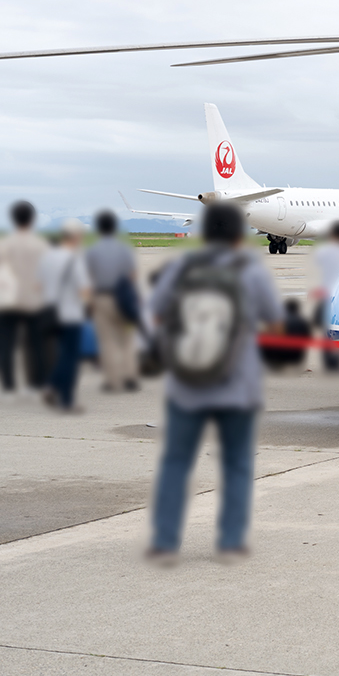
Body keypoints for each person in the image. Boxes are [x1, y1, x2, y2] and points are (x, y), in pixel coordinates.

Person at [147, 203, 283, 563]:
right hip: (238, 386)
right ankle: (230, 541)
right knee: (237, 462)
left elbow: (156, 315)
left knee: (176, 461)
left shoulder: (180, 268)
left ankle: (164, 540)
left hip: (187, 383)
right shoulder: (251, 272)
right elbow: (274, 318)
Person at [85, 209, 140, 393]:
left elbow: (89, 278)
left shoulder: (92, 251)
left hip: (102, 297)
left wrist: (90, 302)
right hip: (123, 296)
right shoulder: (124, 249)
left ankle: (112, 380)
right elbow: (132, 275)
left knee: (106, 340)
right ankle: (130, 377)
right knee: (127, 339)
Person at [39, 220, 91, 412]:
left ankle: (52, 385)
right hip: (71, 314)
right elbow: (84, 289)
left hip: (51, 313)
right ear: (76, 237)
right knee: (71, 357)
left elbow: (39, 285)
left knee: (61, 354)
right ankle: (66, 400)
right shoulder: (74, 259)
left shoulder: (48, 257)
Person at [0, 200, 50, 397]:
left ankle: (9, 386)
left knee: (6, 344)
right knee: (36, 345)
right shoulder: (41, 245)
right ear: (32, 219)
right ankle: (36, 385)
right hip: (34, 301)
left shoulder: (5, 244)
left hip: (9, 301)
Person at [311, 221, 339, 373]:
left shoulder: (323, 251)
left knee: (325, 330)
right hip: (338, 294)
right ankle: (335, 363)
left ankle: (329, 363)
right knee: (337, 330)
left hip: (324, 292)